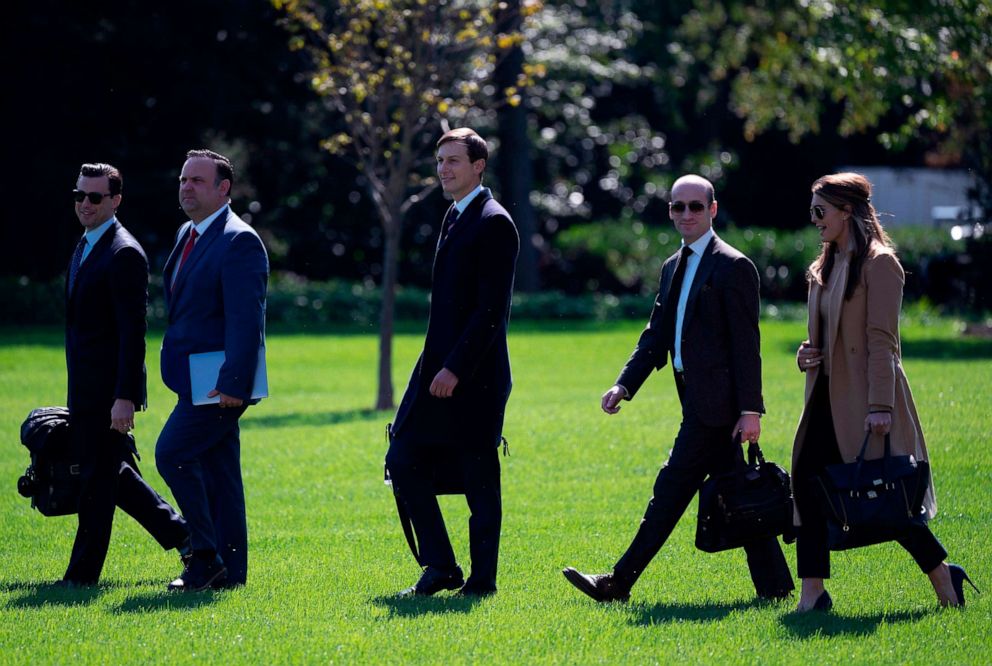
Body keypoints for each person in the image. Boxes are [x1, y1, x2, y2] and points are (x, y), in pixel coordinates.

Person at [562, 174, 795, 602]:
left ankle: (618, 582)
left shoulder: (734, 266)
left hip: (719, 409)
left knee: (669, 491)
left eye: (695, 206)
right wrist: (623, 385)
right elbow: (656, 336)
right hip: (695, 402)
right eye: (677, 207)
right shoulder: (673, 266)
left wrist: (750, 410)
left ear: (713, 210)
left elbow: (747, 346)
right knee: (737, 489)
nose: (685, 214)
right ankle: (777, 589)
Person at [792, 172, 977, 611]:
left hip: (863, 400)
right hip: (823, 397)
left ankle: (942, 575)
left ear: (847, 211)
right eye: (812, 211)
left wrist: (880, 407)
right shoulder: (825, 265)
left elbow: (883, 343)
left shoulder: (880, 264)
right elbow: (824, 333)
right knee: (806, 484)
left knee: (885, 496)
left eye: (821, 211)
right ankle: (812, 593)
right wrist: (806, 354)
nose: (814, 220)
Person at [385, 128, 520, 597]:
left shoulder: (494, 221)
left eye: (453, 161)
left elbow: (490, 313)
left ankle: (482, 583)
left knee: (479, 478)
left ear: (478, 165)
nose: (443, 169)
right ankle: (441, 566)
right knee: (402, 458)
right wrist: (434, 369)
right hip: (437, 371)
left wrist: (455, 369)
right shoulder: (453, 215)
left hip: (476, 379)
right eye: (440, 160)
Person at [61, 162, 190, 586]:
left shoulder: (123, 252)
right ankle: (185, 536)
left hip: (108, 393)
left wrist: (125, 397)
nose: (85, 203)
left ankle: (81, 577)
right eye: (79, 195)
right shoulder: (86, 245)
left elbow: (133, 333)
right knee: (112, 474)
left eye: (95, 197)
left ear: (115, 201)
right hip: (84, 387)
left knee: (97, 484)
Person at [155, 149, 269, 592]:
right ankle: (229, 572)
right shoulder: (189, 232)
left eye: (198, 181)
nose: (186, 187)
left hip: (221, 382)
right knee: (221, 474)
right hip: (193, 377)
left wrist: (234, 384)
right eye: (184, 180)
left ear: (224, 189)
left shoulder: (240, 240)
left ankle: (203, 556)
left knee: (172, 453)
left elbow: (247, 320)